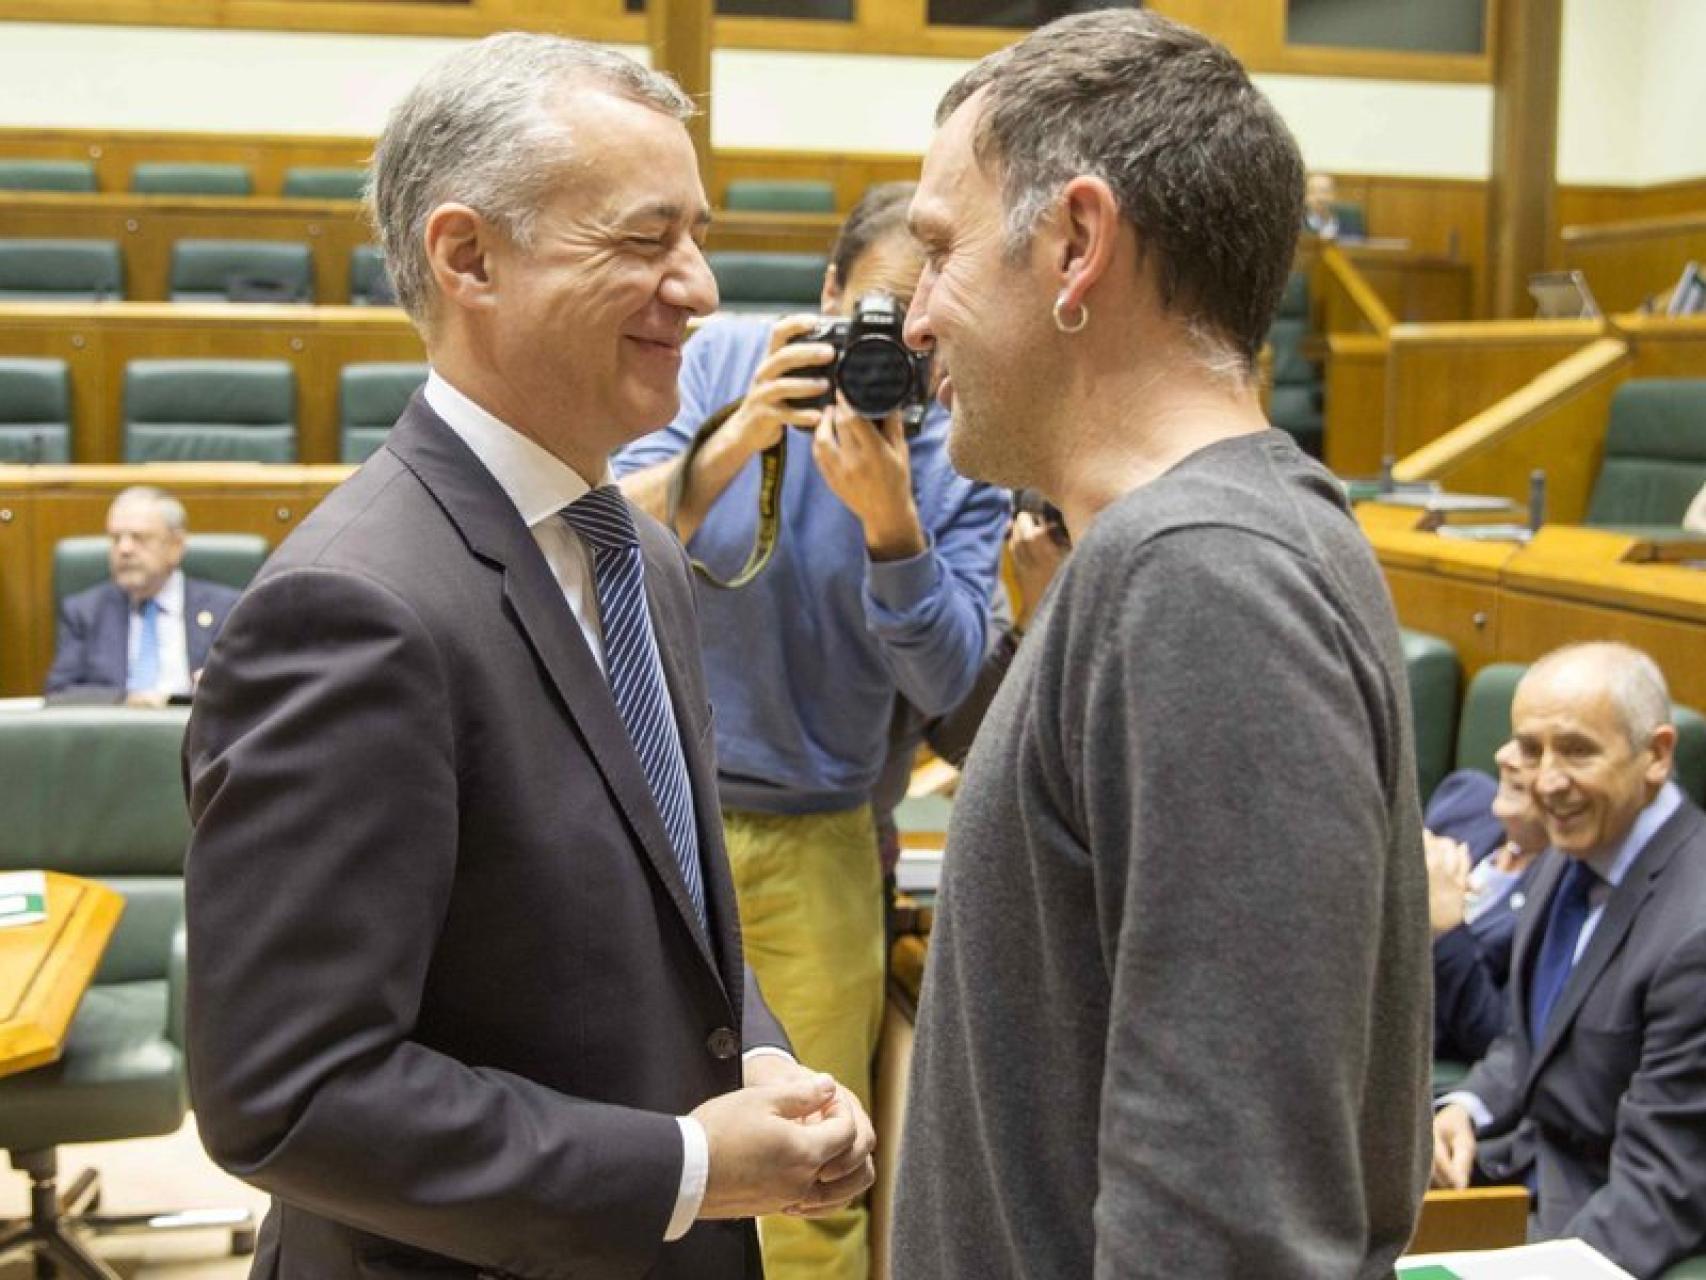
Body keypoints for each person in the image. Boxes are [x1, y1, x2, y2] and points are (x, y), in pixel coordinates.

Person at [182, 35, 873, 1280]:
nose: (701, 287)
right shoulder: (351, 607)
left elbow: (660, 905)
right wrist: (685, 1166)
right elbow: (287, 1092)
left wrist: (758, 1054)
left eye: (698, 235)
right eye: (641, 240)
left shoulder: (638, 554)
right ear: (467, 257)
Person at [891, 12, 1432, 1277]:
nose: (912, 321)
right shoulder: (1182, 553)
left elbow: (1221, 1226)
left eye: (936, 253)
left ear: (1076, 242)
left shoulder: (1200, 577)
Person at [614, 182, 1006, 1280]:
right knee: (638, 1145)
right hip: (652, 817)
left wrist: (893, 524)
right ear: (825, 295)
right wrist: (740, 433)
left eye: (921, 321)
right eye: (871, 314)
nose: (899, 344)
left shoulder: (956, 441)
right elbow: (596, 550)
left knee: (808, 1172)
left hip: (824, 835)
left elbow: (947, 679)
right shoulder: (719, 355)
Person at [1432, 643, 1706, 1278]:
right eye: (1531, 750)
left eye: (1577, 750)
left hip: (1593, 1219)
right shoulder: (1577, 846)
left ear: (1657, 754)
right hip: (1510, 1168)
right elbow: (1528, 1040)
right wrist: (1466, 1107)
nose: (1547, 782)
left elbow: (1661, 1188)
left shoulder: (1694, 932)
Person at [44, 485, 240, 705]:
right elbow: (59, 694)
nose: (124, 549)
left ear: (176, 546)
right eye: (116, 538)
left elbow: (250, 687)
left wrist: (219, 687)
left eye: (139, 538)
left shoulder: (228, 608)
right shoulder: (85, 612)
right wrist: (127, 701)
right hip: (114, 734)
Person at [1425, 746, 1549, 1064]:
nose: (1504, 756)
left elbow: (1501, 1040)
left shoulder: (1565, 896)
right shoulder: (1465, 797)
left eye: (1532, 751)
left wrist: (1446, 930)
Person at [1304, 171, 1342, 238]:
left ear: (1334, 195)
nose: (1320, 197)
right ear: (1305, 196)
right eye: (1313, 192)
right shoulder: (1297, 224)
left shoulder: (1349, 222)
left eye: (1325, 191)